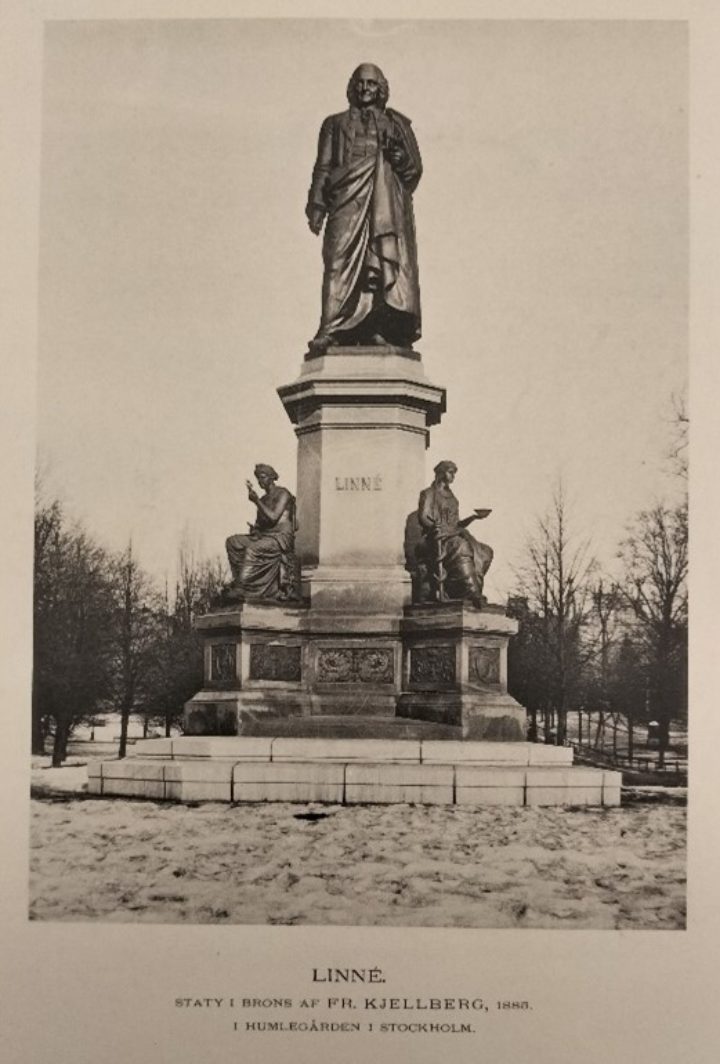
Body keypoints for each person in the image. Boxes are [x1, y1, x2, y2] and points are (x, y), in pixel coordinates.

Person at [306, 63, 422, 352]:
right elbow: (323, 167)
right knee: (336, 260)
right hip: (346, 199)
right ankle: (331, 327)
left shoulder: (396, 125)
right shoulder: (334, 124)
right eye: (360, 83)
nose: (365, 88)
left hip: (384, 204)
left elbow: (414, 170)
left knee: (379, 263)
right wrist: (317, 204)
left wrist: (398, 155)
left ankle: (377, 328)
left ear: (381, 88)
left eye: (371, 83)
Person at [416, 461, 493, 607]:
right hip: (435, 537)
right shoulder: (428, 493)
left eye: (454, 473)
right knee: (461, 546)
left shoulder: (453, 498)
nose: (453, 476)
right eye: (450, 472)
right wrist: (435, 527)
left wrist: (473, 517)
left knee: (485, 551)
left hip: (452, 534)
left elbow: (457, 524)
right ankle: (472, 591)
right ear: (441, 473)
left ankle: (459, 588)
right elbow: (423, 517)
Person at [225, 465, 299, 601]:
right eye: (258, 478)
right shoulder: (264, 499)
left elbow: (273, 517)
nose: (260, 481)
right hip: (265, 536)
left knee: (253, 549)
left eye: (263, 477)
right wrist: (255, 530)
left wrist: (256, 501)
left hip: (280, 538)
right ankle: (238, 581)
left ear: (271, 477)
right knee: (233, 542)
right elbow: (261, 524)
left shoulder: (283, 493)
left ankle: (242, 587)